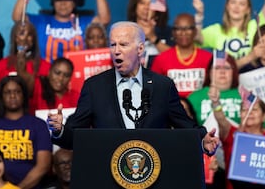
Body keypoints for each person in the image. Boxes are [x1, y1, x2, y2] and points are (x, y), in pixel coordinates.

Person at [48, 21, 219, 188]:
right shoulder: (95, 87)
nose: (116, 51)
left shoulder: (162, 86)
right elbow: (73, 136)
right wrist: (59, 129)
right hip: (109, 178)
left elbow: (185, 125)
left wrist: (203, 140)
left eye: (123, 44)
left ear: (140, 49)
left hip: (155, 177)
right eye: (113, 44)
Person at [12, 0, 111, 63]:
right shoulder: (41, 21)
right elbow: (17, 17)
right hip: (45, 75)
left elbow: (104, 19)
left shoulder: (84, 22)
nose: (63, 4)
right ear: (53, 2)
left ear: (75, 3)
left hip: (79, 74)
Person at [0, 76, 52, 189]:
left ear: (24, 96)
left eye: (17, 92)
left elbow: (43, 165)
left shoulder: (38, 125)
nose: (12, 96)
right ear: (1, 96)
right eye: (7, 92)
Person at [209, 85, 265, 189]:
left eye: (254, 109)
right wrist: (216, 103)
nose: (249, 112)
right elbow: (221, 119)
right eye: (245, 109)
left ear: (264, 116)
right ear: (240, 114)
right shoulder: (231, 134)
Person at [0, 21, 51, 112]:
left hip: (39, 118)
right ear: (14, 38)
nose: (24, 38)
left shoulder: (46, 67)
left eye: (29, 35)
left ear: (34, 39)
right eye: (21, 34)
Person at [151, 13, 212, 98]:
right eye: (178, 29)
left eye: (188, 28)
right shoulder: (161, 59)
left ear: (195, 31)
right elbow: (155, 90)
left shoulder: (208, 58)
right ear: (173, 32)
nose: (183, 32)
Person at [127, 0, 173, 67]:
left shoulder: (167, 31)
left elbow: (175, 59)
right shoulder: (125, 31)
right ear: (135, 6)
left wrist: (153, 38)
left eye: (150, 4)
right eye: (142, 3)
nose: (146, 7)